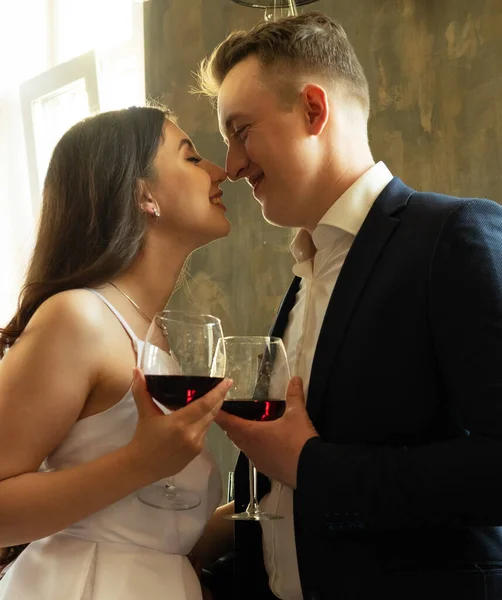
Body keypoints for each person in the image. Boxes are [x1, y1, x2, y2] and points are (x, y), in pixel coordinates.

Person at [196, 12, 502, 600]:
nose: (231, 165)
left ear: (313, 109)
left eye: (241, 131)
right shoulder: (303, 275)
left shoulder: (452, 237)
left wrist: (310, 467)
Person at [0, 105, 236, 600]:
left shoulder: (157, 339)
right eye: (192, 158)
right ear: (143, 193)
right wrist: (139, 463)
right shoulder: (78, 318)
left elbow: (153, 533)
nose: (221, 171)